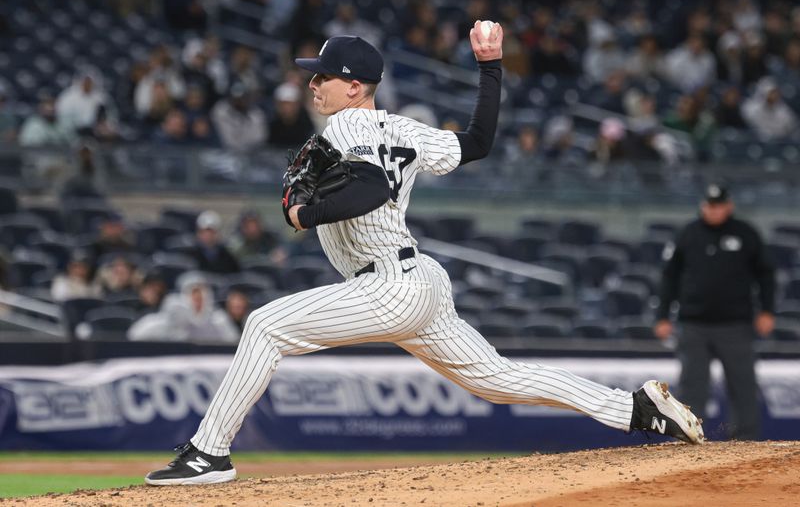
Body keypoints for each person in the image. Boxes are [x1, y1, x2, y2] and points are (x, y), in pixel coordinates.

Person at [145, 29, 704, 486]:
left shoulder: (347, 124)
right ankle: (635, 409)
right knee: (498, 378)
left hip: (388, 284)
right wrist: (491, 67)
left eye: (323, 75)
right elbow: (479, 141)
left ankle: (207, 454)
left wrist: (302, 214)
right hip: (419, 281)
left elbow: (370, 191)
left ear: (354, 86)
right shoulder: (403, 129)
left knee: (265, 325)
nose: (312, 83)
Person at [654, 183, 775, 440]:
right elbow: (669, 277)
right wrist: (662, 315)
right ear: (703, 206)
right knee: (692, 386)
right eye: (709, 205)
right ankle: (689, 439)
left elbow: (766, 274)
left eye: (719, 205)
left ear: (728, 206)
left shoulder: (745, 234)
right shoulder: (687, 234)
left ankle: (746, 443)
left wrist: (767, 310)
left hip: (735, 324)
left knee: (742, 385)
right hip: (694, 324)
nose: (714, 210)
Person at [128, 271, 240, 342]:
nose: (197, 299)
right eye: (192, 294)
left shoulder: (218, 320)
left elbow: (234, 344)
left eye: (201, 294)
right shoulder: (168, 319)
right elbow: (134, 335)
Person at [186, 210, 241, 274]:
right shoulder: (190, 254)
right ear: (198, 233)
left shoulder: (227, 256)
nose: (207, 236)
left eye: (211, 232)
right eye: (204, 232)